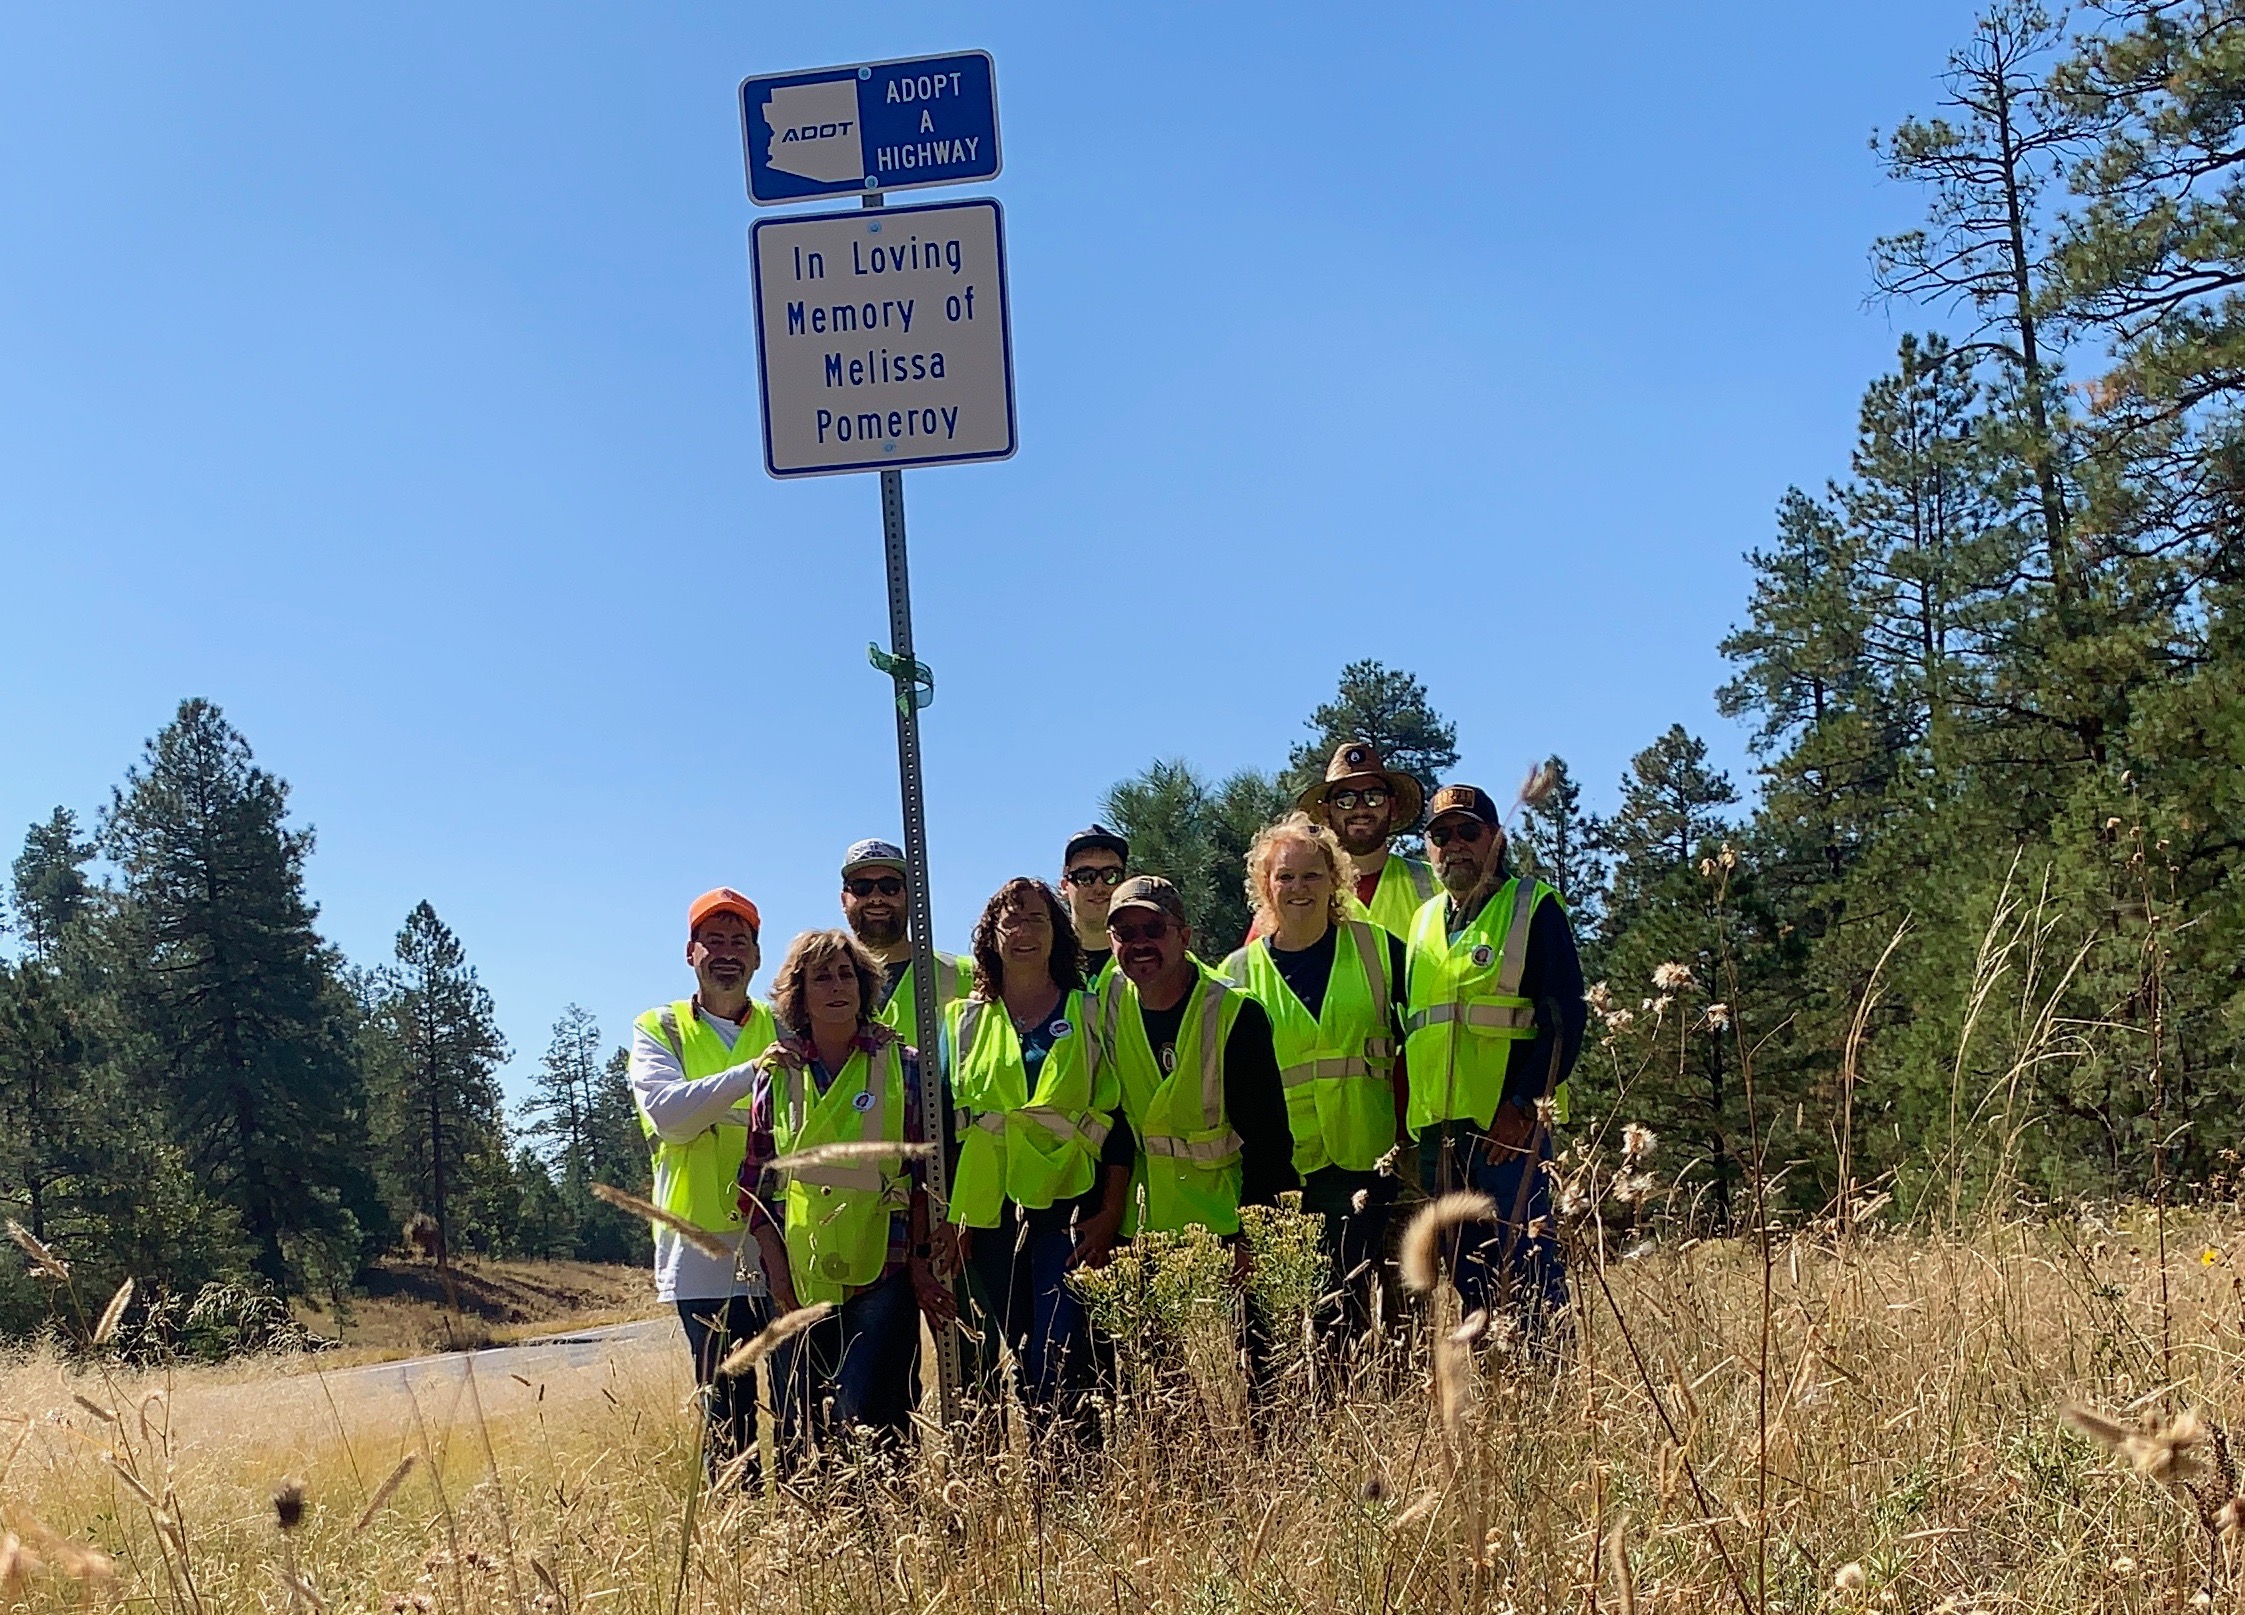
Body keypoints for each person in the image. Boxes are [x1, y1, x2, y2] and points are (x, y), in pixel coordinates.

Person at [737, 929, 955, 1459]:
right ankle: (812, 1532)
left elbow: (929, 1174)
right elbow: (755, 1186)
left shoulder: (904, 1065)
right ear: (799, 994)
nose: (837, 987)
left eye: (846, 975)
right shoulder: (778, 1074)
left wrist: (922, 1264)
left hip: (885, 1266)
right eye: (821, 977)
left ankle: (893, 1531)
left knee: (873, 1410)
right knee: (802, 1418)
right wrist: (777, 1271)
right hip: (802, 1273)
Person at [939, 878, 1129, 1424]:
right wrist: (951, 1213)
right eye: (1011, 921)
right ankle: (1046, 1485)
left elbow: (1118, 1123)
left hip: (1071, 1210)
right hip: (989, 1217)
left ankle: (1079, 1475)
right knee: (1021, 1357)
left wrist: (1112, 1212)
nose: (1023, 932)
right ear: (991, 938)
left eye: (1037, 920)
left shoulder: (1091, 1013)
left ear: (1058, 932)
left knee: (1059, 1352)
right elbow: (947, 1129)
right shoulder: (962, 1021)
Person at [1220, 815, 1408, 1363]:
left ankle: (1367, 1418)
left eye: (1311, 876)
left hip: (1368, 1161)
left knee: (1368, 1313)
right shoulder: (1235, 975)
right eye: (1285, 877)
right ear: (1264, 885)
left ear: (1335, 880)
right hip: (1281, 1171)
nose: (1298, 889)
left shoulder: (1379, 950)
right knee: (1288, 1315)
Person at [1402, 784, 1587, 1335]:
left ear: (1495, 838)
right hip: (1440, 1133)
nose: (1454, 845)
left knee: (1529, 1269)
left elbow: (1564, 1019)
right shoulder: (1422, 921)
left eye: (1468, 832)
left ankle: (1549, 1389)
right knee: (1470, 1279)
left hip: (1506, 1132)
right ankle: (1499, 1395)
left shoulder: (1533, 905)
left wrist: (1523, 1107)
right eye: (1440, 836)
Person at [626, 888, 780, 1475]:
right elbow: (669, 1114)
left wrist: (714, 1104)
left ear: (757, 958)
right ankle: (739, 1531)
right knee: (727, 1409)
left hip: (781, 1235)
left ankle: (808, 1521)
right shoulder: (658, 1027)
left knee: (801, 1394)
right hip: (698, 1248)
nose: (725, 953)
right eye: (712, 941)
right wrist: (754, 1074)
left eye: (738, 942)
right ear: (689, 953)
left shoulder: (785, 1020)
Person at [1279, 741, 1437, 942]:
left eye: (1374, 797)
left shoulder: (1434, 882)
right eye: (1346, 800)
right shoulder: (1299, 890)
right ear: (1325, 812)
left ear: (1393, 806)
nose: (1361, 809)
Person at [839, 838, 969, 1051]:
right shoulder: (821, 982)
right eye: (862, 887)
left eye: (890, 887)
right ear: (844, 900)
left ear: (911, 896)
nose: (876, 898)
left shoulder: (963, 975)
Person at [1058, 825, 1129, 989]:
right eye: (1085, 877)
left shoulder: (1145, 956)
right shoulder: (1043, 960)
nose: (1099, 887)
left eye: (1111, 875)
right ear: (1064, 886)